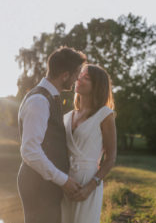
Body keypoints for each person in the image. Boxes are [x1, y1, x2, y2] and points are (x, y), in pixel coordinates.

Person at [17, 46, 87, 223]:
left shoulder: (49, 97)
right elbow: (30, 150)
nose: (77, 78)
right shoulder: (39, 101)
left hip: (45, 183)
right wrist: (63, 180)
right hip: (38, 185)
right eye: (76, 73)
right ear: (65, 75)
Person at [61, 64, 117, 223]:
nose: (79, 78)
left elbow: (111, 158)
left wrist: (90, 187)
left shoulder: (105, 115)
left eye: (87, 78)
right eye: (80, 75)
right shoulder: (66, 117)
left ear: (97, 86)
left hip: (88, 181)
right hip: (64, 182)